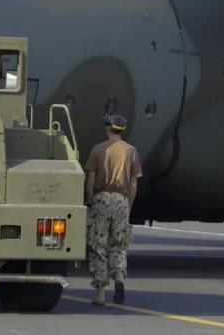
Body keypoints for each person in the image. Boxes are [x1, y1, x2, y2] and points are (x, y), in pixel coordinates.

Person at [84, 114, 142, 306]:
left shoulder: (98, 150)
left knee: (97, 245)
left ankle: (100, 293)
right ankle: (119, 278)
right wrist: (129, 204)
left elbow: (91, 179)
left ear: (109, 129)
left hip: (101, 199)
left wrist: (90, 200)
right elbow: (134, 183)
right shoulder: (131, 151)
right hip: (121, 200)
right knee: (118, 244)